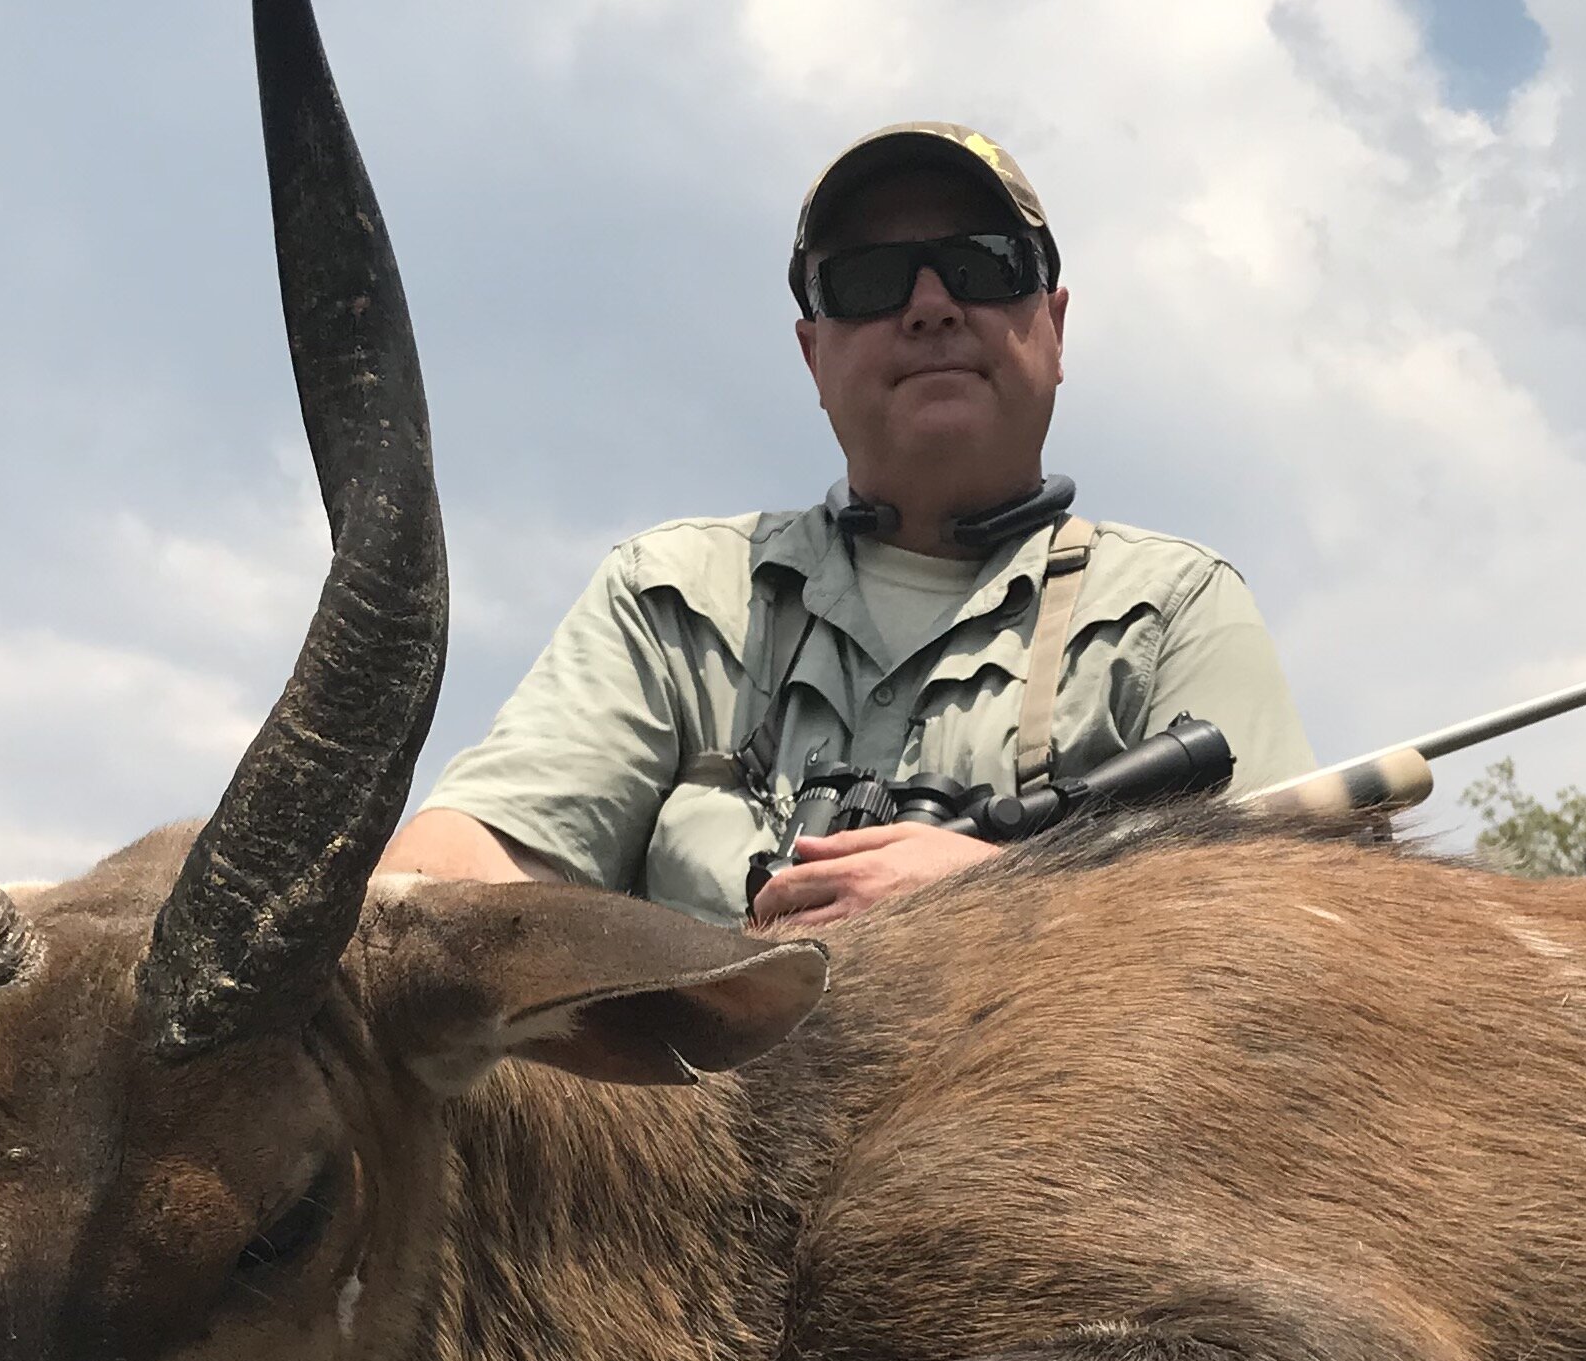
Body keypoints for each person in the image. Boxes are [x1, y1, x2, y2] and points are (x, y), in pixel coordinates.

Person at [378, 123, 1310, 930]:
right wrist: (392, 915)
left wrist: (1004, 903)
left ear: (1054, 328)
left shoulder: (1174, 609)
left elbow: (1306, 934)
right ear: (812, 356)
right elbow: (476, 865)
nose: (931, 305)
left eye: (985, 266)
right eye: (868, 280)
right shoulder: (670, 597)